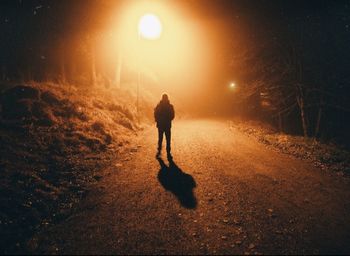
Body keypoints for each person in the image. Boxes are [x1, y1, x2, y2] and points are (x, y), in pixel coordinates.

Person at [154, 93, 175, 158]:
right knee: (168, 138)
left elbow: (155, 114)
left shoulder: (158, 106)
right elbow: (173, 115)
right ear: (167, 98)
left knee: (160, 138)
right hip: (167, 125)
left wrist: (157, 120)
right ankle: (168, 152)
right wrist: (168, 120)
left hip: (160, 125)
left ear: (162, 98)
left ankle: (159, 150)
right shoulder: (170, 106)